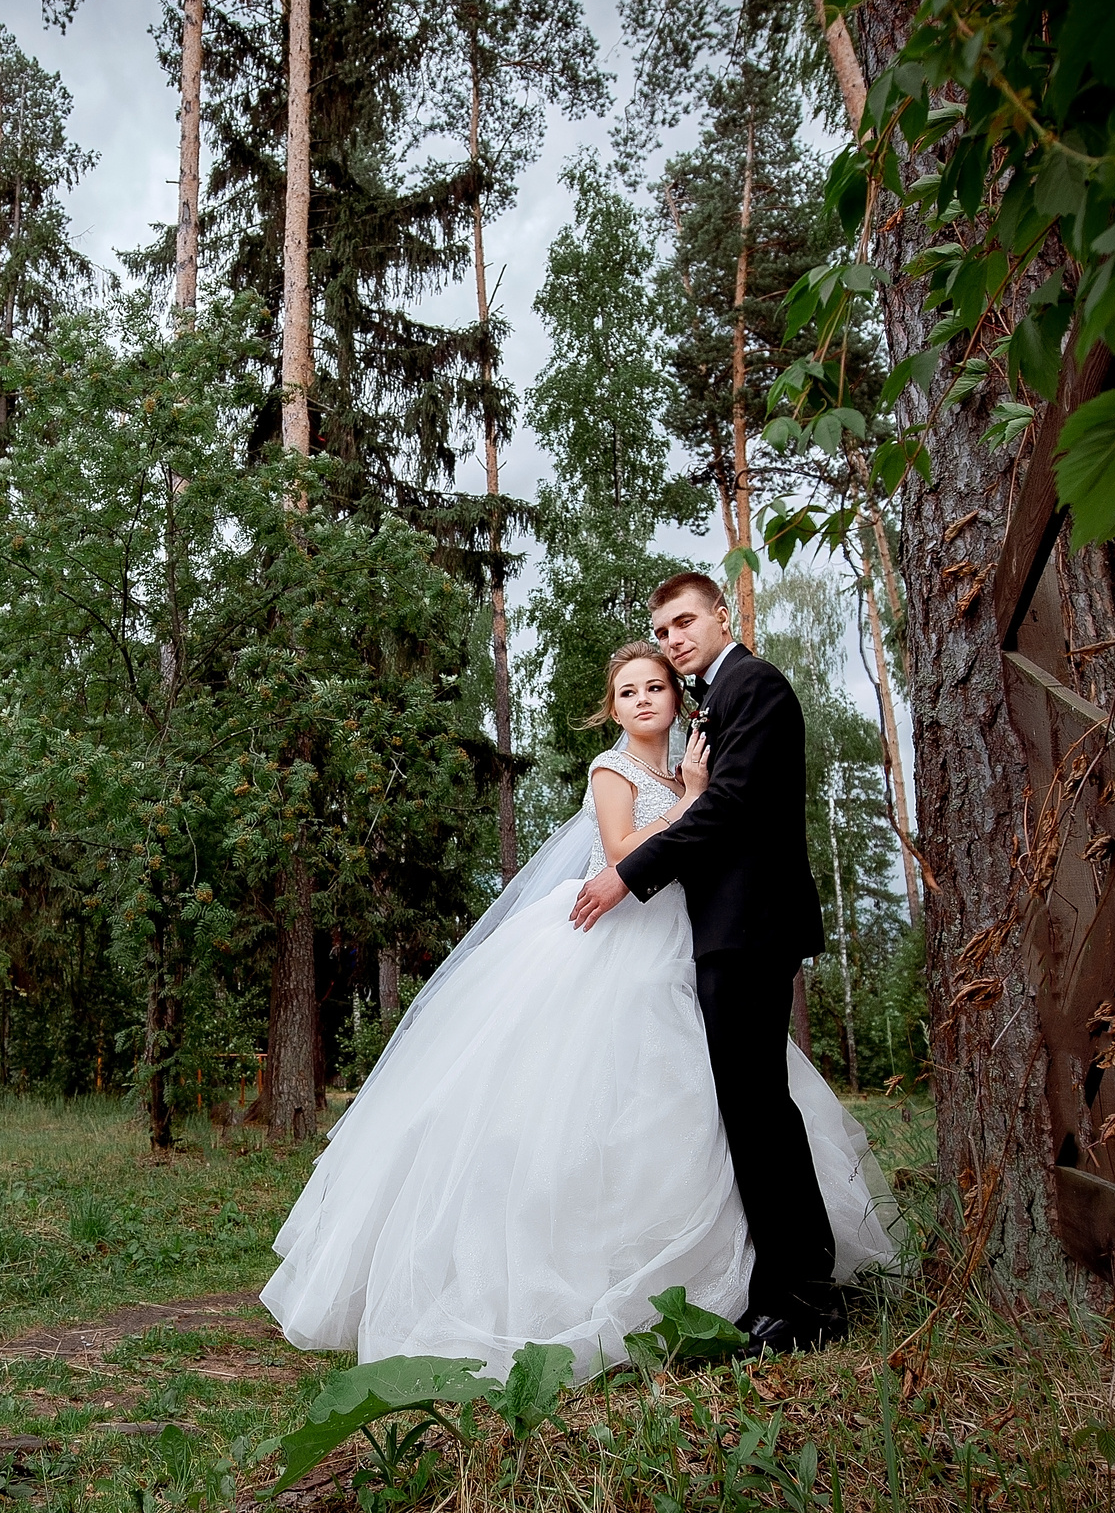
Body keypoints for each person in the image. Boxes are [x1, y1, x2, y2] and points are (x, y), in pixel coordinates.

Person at [260, 633, 891, 1379]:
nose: (642, 700)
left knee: (715, 1102)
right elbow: (623, 852)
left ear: (676, 698)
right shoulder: (614, 767)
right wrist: (690, 802)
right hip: (613, 942)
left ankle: (755, 1280)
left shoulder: (696, 757)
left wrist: (699, 795)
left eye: (654, 687)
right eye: (627, 692)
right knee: (589, 1107)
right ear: (612, 709)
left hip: (684, 943)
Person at [572, 571, 842, 1351]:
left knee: (759, 1113)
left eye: (685, 622)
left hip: (748, 927)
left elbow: (729, 806)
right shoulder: (715, 700)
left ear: (722, 615)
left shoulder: (752, 686)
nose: (674, 639)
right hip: (724, 930)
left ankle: (802, 1302)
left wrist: (628, 872)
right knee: (751, 1111)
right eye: (662, 631)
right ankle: (784, 1289)